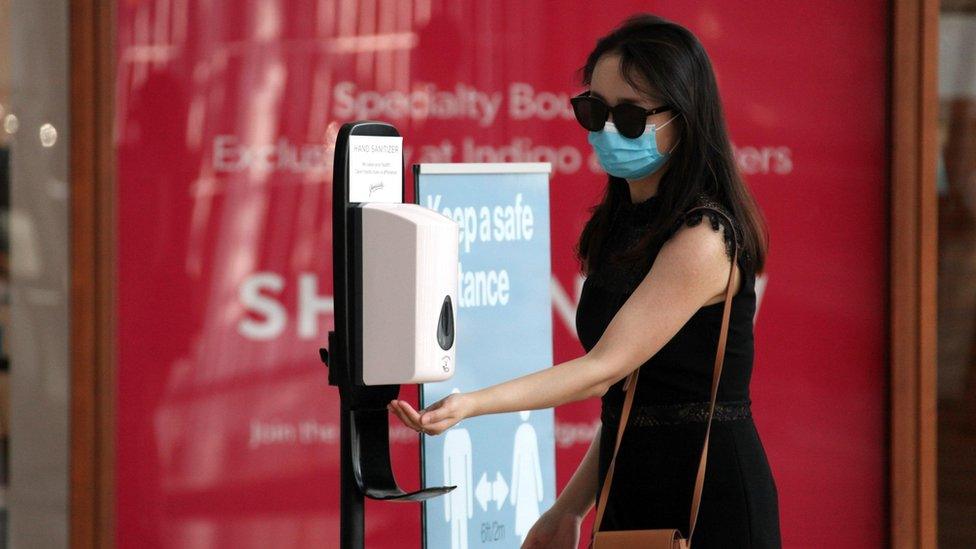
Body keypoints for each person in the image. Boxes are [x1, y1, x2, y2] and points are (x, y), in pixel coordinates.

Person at [388, 13, 781, 548]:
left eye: (631, 116)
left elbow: (602, 371)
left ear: (684, 118)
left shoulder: (705, 236)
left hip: (709, 497)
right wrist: (568, 510)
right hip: (632, 488)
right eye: (593, 111)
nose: (608, 131)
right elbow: (630, 400)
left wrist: (470, 404)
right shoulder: (624, 226)